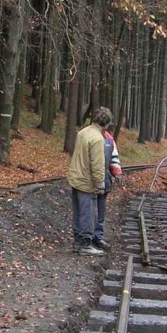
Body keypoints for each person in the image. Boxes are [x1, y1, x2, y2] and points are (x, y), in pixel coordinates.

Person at [68, 107, 114, 256]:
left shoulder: (83, 132)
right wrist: (100, 184)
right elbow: (97, 164)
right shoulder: (98, 139)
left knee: (78, 211)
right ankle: (85, 243)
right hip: (87, 182)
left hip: (76, 177)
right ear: (106, 124)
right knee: (89, 213)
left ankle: (78, 240)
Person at [93, 128, 122, 251]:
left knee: (100, 209)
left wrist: (117, 173)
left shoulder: (109, 139)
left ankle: (97, 236)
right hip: (90, 180)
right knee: (90, 208)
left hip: (104, 179)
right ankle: (88, 236)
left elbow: (114, 158)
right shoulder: (91, 136)